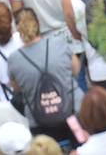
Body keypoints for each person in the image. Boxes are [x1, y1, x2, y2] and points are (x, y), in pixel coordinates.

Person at [6, 8, 78, 143]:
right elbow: (76, 69)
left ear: (17, 29)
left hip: (39, 122)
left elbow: (17, 89)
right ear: (38, 23)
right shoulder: (59, 43)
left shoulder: (14, 59)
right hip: (72, 113)